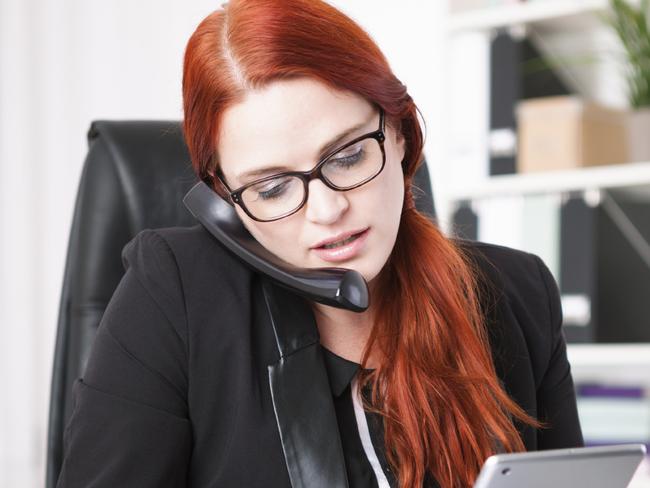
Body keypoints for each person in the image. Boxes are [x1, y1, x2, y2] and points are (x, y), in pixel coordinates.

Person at [56, 1, 583, 487]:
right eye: (271, 187)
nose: (328, 211)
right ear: (224, 200)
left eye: (349, 156)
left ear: (398, 134)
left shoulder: (518, 294)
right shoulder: (173, 295)